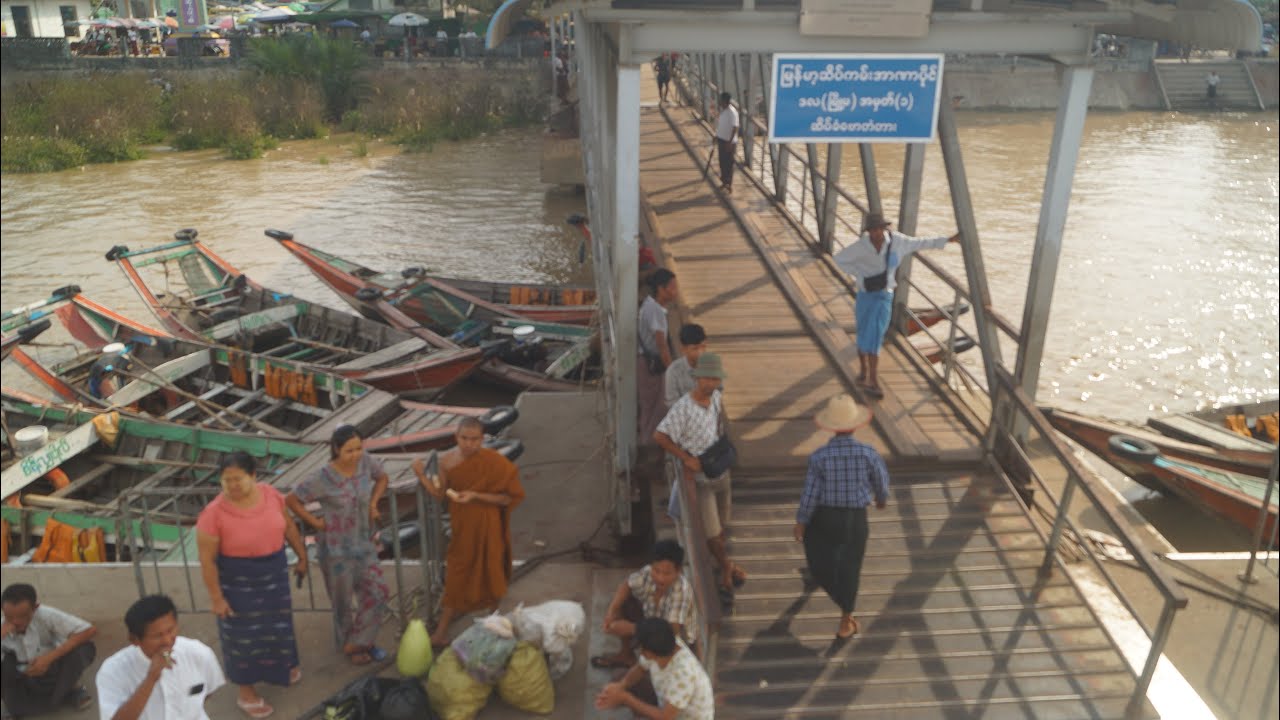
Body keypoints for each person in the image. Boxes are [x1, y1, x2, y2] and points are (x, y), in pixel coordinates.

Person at [196, 452, 306, 719]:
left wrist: (302, 556)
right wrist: (217, 598)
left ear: (254, 476)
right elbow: (207, 561)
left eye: (239, 479)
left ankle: (281, 667)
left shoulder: (270, 495)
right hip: (238, 583)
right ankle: (246, 693)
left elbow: (289, 527)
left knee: (278, 626)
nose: (233, 485)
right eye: (226, 480)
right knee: (243, 639)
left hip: (273, 575)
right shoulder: (213, 514)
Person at [412, 417, 525, 646]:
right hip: (462, 526)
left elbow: (507, 498)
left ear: (482, 439)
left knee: (491, 570)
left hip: (489, 524)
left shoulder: (495, 462)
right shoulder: (446, 462)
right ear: (457, 438)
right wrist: (422, 475)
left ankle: (493, 624)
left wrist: (476, 496)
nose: (469, 444)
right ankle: (441, 632)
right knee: (456, 574)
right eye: (465, 438)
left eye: (475, 439)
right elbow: (439, 494)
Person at [285, 425, 390, 666]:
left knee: (378, 591)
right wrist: (315, 522)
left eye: (358, 448)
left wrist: (374, 503)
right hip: (335, 548)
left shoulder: (366, 463)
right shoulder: (323, 477)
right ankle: (351, 645)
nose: (355, 455)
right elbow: (292, 499)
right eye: (349, 451)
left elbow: (382, 477)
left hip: (363, 541)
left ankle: (360, 640)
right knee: (342, 601)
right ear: (336, 450)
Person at [833, 212, 959, 399]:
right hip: (865, 294)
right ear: (868, 232)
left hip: (884, 295)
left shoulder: (898, 242)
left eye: (878, 229)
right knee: (863, 331)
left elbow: (922, 242)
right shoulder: (862, 246)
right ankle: (863, 371)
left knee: (876, 333)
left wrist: (948, 240)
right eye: (872, 230)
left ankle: (873, 380)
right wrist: (859, 275)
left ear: (884, 228)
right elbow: (839, 260)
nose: (876, 234)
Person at [793, 394, 886, 640]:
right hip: (855, 517)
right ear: (855, 425)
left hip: (825, 516)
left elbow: (811, 494)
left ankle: (822, 577)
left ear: (830, 427)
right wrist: (881, 499)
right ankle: (846, 619)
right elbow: (880, 481)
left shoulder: (819, 457)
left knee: (817, 549)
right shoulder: (868, 453)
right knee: (851, 564)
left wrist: (802, 522)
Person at [654, 353, 745, 597]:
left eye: (716, 379)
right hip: (701, 479)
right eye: (709, 379)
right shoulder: (683, 407)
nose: (713, 384)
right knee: (713, 533)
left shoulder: (715, 398)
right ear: (698, 378)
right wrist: (685, 458)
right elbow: (660, 436)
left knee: (721, 528)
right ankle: (727, 567)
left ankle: (725, 566)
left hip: (720, 472)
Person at [96, 595, 225, 720]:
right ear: (134, 640)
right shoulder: (112, 671)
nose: (167, 641)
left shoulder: (199, 653)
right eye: (157, 636)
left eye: (171, 630)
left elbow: (208, 692)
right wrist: (151, 679)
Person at [591, 540, 696, 670]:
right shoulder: (647, 573)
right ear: (651, 565)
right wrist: (611, 613)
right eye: (656, 571)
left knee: (634, 684)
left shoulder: (682, 590)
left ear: (678, 571)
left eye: (667, 573)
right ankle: (627, 656)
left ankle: (645, 666)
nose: (660, 578)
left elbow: (670, 634)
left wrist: (633, 629)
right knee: (626, 603)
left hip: (673, 643)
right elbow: (626, 585)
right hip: (652, 624)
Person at [1, 584, 96, 717]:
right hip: (22, 676)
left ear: (35, 608)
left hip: (53, 667)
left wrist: (48, 658)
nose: (16, 622)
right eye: (9, 617)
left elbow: (88, 630)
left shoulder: (45, 614)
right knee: (14, 698)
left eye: (22, 616)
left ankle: (71, 689)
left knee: (84, 648)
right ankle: (13, 703)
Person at [594, 617, 714, 720]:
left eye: (642, 649)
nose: (640, 652)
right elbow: (640, 668)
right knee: (620, 677)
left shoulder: (684, 673)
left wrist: (626, 698)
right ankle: (641, 714)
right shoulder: (664, 644)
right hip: (666, 704)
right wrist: (620, 686)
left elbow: (665, 717)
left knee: (629, 696)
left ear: (650, 652)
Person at [638, 268, 678, 447]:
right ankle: (650, 446)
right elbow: (662, 346)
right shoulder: (657, 312)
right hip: (650, 366)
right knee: (656, 407)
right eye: (672, 287)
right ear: (661, 289)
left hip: (644, 362)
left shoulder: (648, 304)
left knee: (649, 406)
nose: (675, 291)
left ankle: (647, 442)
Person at [664, 323, 707, 409]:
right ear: (683, 349)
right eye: (695, 348)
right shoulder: (673, 371)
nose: (700, 352)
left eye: (703, 347)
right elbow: (672, 403)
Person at [714, 92, 738, 193]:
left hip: (728, 142)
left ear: (725, 101)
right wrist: (716, 136)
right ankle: (724, 181)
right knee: (722, 161)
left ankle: (729, 183)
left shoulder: (732, 112)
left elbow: (735, 127)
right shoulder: (724, 111)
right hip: (721, 139)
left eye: (721, 100)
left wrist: (730, 141)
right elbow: (722, 125)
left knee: (728, 163)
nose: (720, 102)